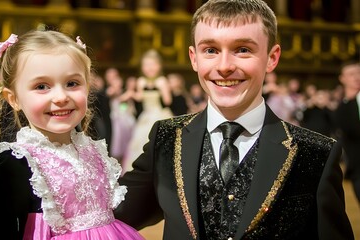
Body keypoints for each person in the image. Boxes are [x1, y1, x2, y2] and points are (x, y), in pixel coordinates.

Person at [114, 0, 354, 239]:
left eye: (243, 50)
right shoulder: (165, 139)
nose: (225, 66)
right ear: (194, 58)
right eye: (210, 50)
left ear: (272, 57)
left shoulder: (316, 153)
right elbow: (110, 215)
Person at [0, 30, 144, 240]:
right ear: (13, 98)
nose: (61, 97)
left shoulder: (93, 151)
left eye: (72, 83)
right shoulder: (15, 164)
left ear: (88, 87)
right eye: (41, 86)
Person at [122, 49, 172, 174]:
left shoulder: (162, 81)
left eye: (152, 64)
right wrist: (131, 94)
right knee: (140, 142)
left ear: (159, 66)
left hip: (160, 114)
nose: (149, 68)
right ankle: (139, 170)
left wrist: (163, 89)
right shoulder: (141, 81)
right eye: (146, 65)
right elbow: (140, 97)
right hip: (146, 115)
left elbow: (168, 101)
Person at [332, 60, 360, 203]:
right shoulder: (341, 109)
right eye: (351, 74)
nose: (356, 77)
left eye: (358, 72)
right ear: (342, 78)